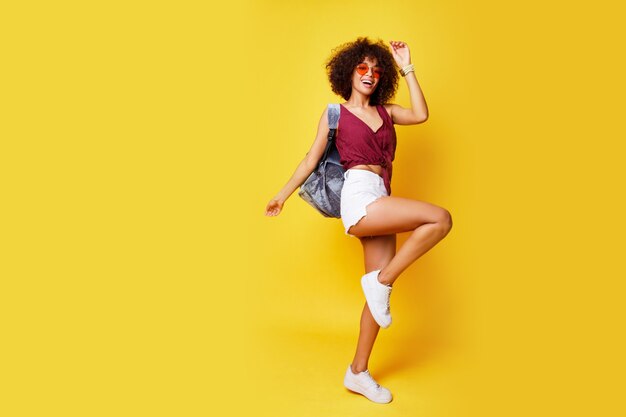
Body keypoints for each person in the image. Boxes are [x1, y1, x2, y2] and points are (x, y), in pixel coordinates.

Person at [264, 37, 453, 404]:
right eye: (362, 68)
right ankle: (383, 282)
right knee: (439, 219)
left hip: (381, 195)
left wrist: (407, 66)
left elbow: (421, 114)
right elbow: (309, 161)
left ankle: (358, 372)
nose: (369, 74)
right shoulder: (334, 114)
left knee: (374, 297)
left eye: (376, 69)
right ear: (348, 72)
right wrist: (282, 196)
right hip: (358, 196)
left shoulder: (387, 112)